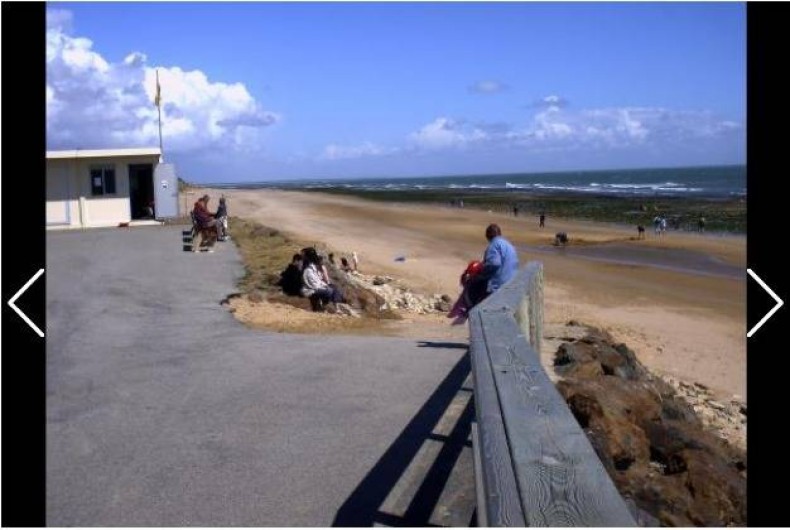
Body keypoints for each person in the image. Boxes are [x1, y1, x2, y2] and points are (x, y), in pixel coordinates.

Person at [449, 224, 520, 323]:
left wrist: (481, 272)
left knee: (472, 285)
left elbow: (494, 263)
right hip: (511, 282)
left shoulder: (494, 245)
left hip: (498, 284)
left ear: (488, 236)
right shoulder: (509, 245)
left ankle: (468, 313)